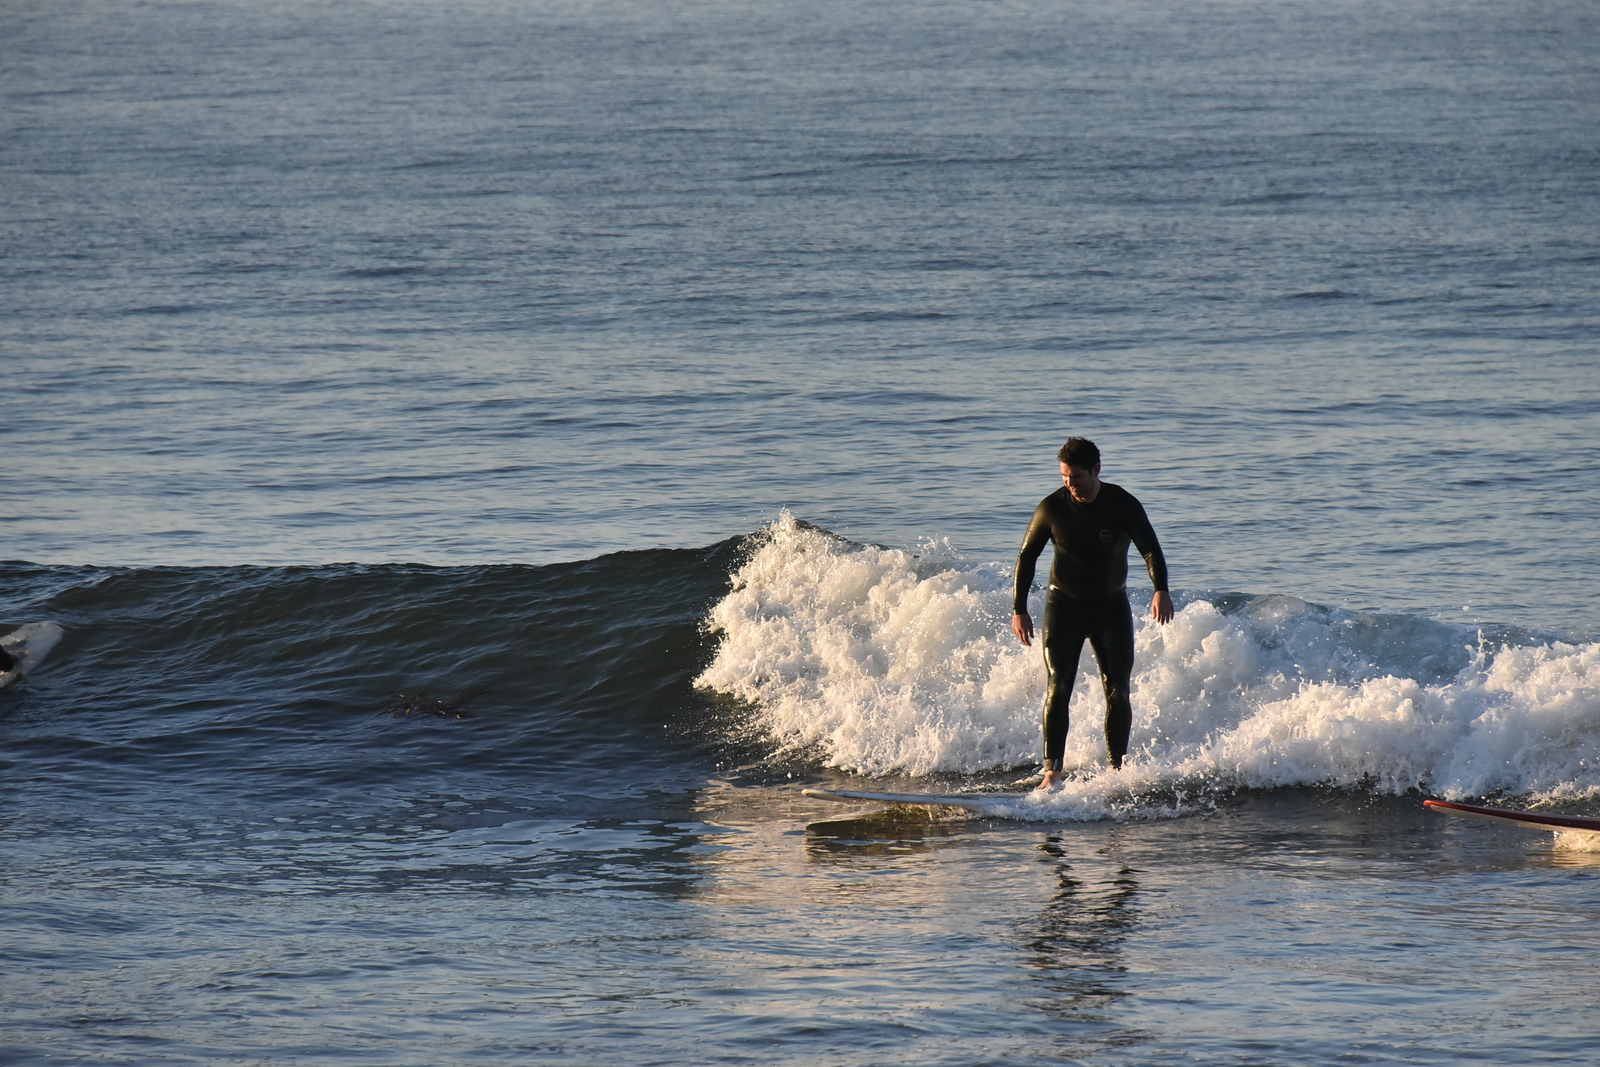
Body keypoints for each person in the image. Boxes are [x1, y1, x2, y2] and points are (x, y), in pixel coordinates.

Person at [1012, 437, 1172, 788]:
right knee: (1059, 685)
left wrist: (1161, 588)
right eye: (1065, 477)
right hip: (1063, 607)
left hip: (1110, 609)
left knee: (1117, 689)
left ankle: (1117, 772)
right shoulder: (1052, 508)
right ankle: (1052, 770)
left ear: (1096, 470)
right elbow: (1027, 557)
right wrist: (1019, 609)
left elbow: (1150, 549)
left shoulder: (1122, 504)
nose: (1070, 484)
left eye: (1077, 477)